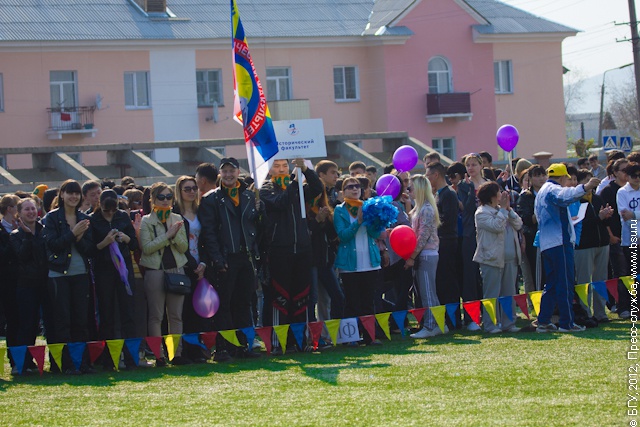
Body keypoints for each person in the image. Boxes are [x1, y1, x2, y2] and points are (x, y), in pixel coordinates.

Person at [198, 158, 263, 360]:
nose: (228, 175)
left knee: (244, 303)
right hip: (225, 258)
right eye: (224, 171)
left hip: (246, 256)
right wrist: (217, 259)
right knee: (223, 304)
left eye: (231, 171)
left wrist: (260, 211)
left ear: (237, 172)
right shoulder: (211, 199)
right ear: (220, 174)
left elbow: (256, 227)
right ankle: (223, 348)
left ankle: (243, 346)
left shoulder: (249, 196)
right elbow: (208, 233)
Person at [260, 158, 323, 353]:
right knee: (280, 298)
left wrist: (306, 170)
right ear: (269, 170)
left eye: (284, 166)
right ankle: (279, 343)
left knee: (302, 298)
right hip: (280, 251)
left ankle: (301, 341)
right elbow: (281, 202)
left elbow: (317, 188)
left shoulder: (298, 188)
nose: (281, 169)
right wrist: (295, 182)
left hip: (303, 249)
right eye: (276, 166)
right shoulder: (266, 189)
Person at [534, 164, 600, 333]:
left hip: (547, 244)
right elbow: (565, 195)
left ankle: (543, 321)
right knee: (565, 283)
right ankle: (566, 323)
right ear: (563, 177)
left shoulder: (542, 191)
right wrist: (586, 187)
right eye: (567, 179)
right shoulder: (553, 189)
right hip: (560, 243)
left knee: (552, 284)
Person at [42, 180, 96, 374]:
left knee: (81, 320)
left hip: (81, 274)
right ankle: (65, 364)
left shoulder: (84, 218)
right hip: (58, 275)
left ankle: (82, 362)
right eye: (69, 193)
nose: (73, 197)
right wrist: (73, 234)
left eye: (76, 193)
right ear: (62, 195)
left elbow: (90, 249)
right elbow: (53, 245)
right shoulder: (51, 218)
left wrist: (79, 238)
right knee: (62, 320)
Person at [139, 182, 191, 366]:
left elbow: (184, 247)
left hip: (176, 270)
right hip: (155, 271)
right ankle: (158, 355)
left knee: (176, 315)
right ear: (153, 199)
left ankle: (176, 354)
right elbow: (147, 248)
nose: (165, 201)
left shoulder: (177, 218)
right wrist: (167, 235)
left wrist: (174, 235)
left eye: (169, 197)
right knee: (156, 316)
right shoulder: (146, 221)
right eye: (161, 197)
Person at [89, 189, 139, 369]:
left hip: (123, 270)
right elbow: (90, 250)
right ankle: (108, 359)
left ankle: (131, 357)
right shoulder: (93, 220)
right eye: (106, 210)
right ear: (100, 206)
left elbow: (134, 244)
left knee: (128, 313)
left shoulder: (123, 217)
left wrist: (126, 238)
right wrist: (105, 242)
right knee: (107, 314)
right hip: (104, 271)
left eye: (113, 210)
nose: (110, 213)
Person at [334, 176, 383, 345]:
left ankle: (370, 337)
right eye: (350, 187)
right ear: (343, 192)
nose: (355, 189)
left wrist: (374, 221)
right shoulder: (339, 210)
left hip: (370, 262)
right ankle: (350, 338)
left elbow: (375, 234)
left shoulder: (368, 207)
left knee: (368, 302)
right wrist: (358, 222)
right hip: (350, 264)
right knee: (352, 302)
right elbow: (343, 235)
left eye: (357, 186)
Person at [473, 181, 523, 333]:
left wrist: (509, 210)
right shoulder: (481, 213)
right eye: (499, 192)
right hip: (491, 259)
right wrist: (503, 210)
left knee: (508, 294)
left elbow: (519, 224)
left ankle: (509, 323)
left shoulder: (503, 211)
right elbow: (497, 226)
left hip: (510, 259)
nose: (502, 195)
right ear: (492, 196)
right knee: (492, 294)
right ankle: (490, 325)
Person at [9, 197, 50, 374]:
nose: (31, 212)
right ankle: (23, 362)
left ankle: (53, 360)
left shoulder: (45, 230)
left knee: (49, 323)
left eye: (33, 208)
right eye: (26, 209)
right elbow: (22, 256)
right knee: (27, 325)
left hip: (46, 283)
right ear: (19, 214)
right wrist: (27, 236)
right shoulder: (15, 235)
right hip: (26, 285)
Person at [406, 175, 445, 338]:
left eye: (411, 188)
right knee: (428, 292)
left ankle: (430, 326)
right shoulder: (419, 208)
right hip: (423, 253)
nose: (409, 190)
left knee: (428, 292)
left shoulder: (427, 209)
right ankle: (439, 324)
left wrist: (412, 256)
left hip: (427, 254)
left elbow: (423, 236)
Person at [572, 169, 613, 324]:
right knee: (584, 281)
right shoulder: (575, 201)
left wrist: (607, 216)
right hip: (584, 246)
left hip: (602, 244)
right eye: (587, 180)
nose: (591, 183)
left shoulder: (597, 198)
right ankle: (586, 312)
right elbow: (579, 224)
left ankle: (601, 313)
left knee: (600, 280)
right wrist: (598, 218)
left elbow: (604, 222)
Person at [426, 161, 461, 328]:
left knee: (449, 282)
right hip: (440, 242)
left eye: (428, 176)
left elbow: (448, 220)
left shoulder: (449, 194)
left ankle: (454, 320)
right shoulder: (438, 194)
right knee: (441, 282)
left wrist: (431, 226)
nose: (427, 179)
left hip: (447, 242)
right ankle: (446, 318)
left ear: (436, 175)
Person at [457, 153, 489, 331]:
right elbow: (467, 209)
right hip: (470, 234)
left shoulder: (489, 183)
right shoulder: (463, 186)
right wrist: (470, 190)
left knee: (487, 276)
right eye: (468, 165)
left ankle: (490, 314)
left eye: (474, 164)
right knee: (470, 276)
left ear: (481, 165)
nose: (470, 168)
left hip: (489, 234)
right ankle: (472, 318)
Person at [600, 158, 630, 317]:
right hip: (616, 237)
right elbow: (604, 216)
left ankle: (634, 304)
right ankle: (622, 306)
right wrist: (610, 235)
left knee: (633, 271)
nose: (627, 174)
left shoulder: (632, 189)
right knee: (620, 273)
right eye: (624, 170)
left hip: (631, 236)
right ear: (615, 172)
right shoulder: (608, 191)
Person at [516, 165, 547, 291]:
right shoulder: (525, 197)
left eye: (543, 175)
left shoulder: (550, 193)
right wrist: (540, 211)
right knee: (537, 274)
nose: (541, 178)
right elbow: (526, 219)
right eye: (537, 175)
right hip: (534, 239)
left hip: (551, 237)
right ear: (530, 178)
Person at [616, 162, 640, 319]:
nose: (637, 178)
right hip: (630, 240)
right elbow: (625, 216)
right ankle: (629, 307)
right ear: (627, 176)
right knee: (632, 275)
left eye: (639, 176)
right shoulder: (622, 192)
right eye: (634, 176)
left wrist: (635, 214)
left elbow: (631, 215)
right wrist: (637, 234)